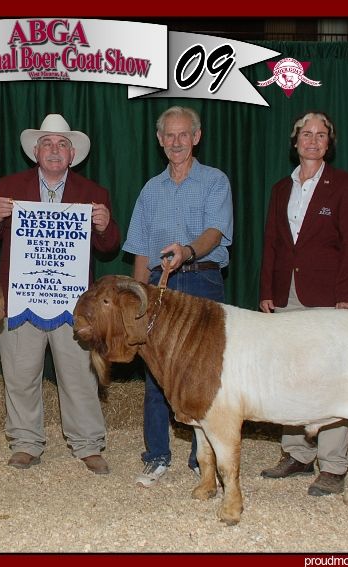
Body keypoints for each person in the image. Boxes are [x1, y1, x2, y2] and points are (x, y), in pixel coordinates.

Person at [0, 113, 120, 474]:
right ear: (35, 151)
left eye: (61, 145)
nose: (54, 150)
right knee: (20, 375)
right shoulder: (8, 186)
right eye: (47, 144)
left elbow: (110, 245)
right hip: (22, 298)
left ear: (72, 154)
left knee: (79, 376)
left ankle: (88, 443)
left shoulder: (93, 193)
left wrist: (104, 226)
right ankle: (26, 442)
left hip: (72, 303)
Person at [123, 106, 233, 488]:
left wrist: (187, 251)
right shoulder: (150, 190)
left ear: (196, 137)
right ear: (159, 140)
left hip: (202, 281)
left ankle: (199, 457)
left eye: (183, 134)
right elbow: (140, 250)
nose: (176, 142)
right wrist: (138, 301)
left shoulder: (215, 181)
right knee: (157, 374)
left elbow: (215, 234)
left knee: (202, 373)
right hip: (160, 288)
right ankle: (156, 454)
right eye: (169, 135)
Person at [258, 111, 348, 496]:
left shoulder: (345, 185)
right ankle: (297, 454)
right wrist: (266, 291)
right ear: (296, 140)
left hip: (327, 299)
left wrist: (347, 297)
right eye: (307, 133)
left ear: (328, 143)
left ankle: (334, 465)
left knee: (328, 378)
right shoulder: (279, 190)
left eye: (321, 135)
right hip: (285, 294)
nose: (313, 140)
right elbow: (272, 243)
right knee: (289, 374)